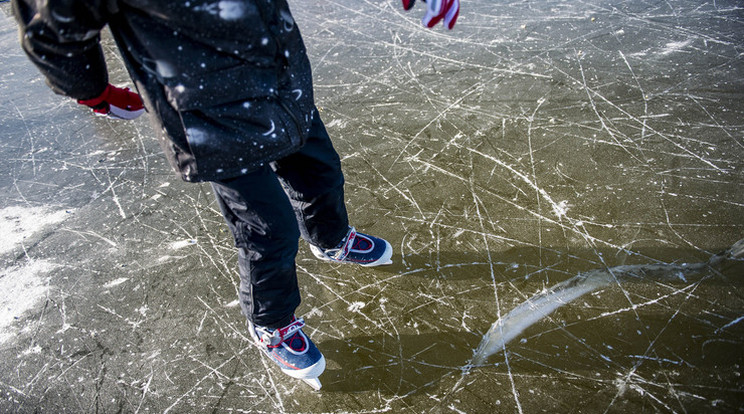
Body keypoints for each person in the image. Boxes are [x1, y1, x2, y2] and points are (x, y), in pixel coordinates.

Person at [11, 0, 459, 389]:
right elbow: (50, 22)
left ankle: (331, 239)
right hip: (206, 110)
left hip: (281, 80)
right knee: (268, 229)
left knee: (321, 172)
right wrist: (90, 90)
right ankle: (271, 322)